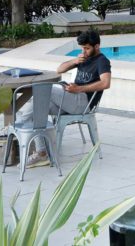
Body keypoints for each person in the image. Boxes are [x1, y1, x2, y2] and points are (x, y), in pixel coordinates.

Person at [25, 29, 111, 167]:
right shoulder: (83, 58)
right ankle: (42, 153)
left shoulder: (102, 61)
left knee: (47, 88)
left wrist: (79, 89)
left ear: (97, 46)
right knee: (38, 108)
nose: (84, 51)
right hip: (72, 98)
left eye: (87, 48)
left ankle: (17, 125)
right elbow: (59, 69)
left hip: (84, 102)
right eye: (82, 48)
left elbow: (106, 83)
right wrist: (75, 61)